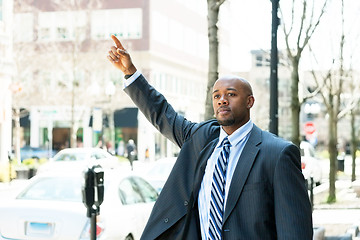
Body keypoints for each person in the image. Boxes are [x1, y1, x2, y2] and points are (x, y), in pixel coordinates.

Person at [107, 35, 313, 240]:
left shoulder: (278, 154)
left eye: (231, 94)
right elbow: (162, 114)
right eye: (217, 96)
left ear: (250, 101)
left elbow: (294, 229)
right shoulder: (200, 139)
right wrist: (130, 72)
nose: (222, 100)